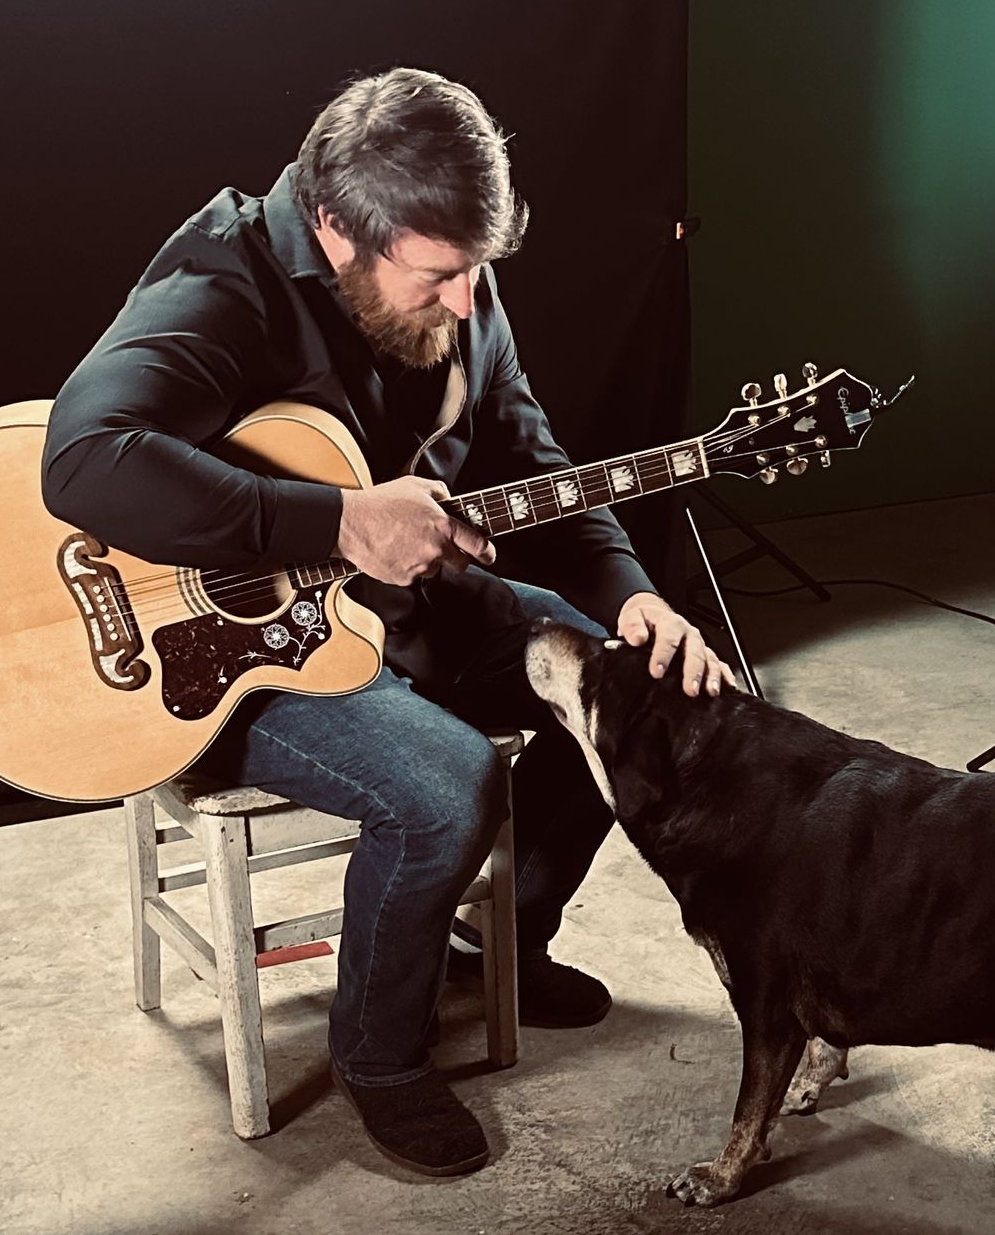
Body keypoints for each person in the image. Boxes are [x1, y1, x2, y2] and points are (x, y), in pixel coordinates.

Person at [42, 67, 730, 1176]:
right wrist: (337, 520)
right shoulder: (222, 282)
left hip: (399, 615)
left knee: (625, 693)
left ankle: (498, 945)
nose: (466, 303)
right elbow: (84, 461)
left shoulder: (463, 289)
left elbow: (535, 461)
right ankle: (380, 1056)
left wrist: (633, 595)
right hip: (219, 652)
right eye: (437, 276)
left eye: (478, 270)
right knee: (445, 786)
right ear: (336, 229)